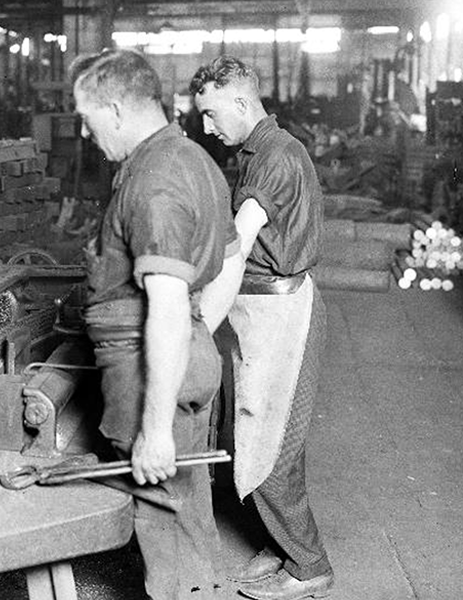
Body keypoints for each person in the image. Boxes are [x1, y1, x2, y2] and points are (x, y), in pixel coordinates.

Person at [71, 48, 240, 600]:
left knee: (163, 527)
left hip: (147, 373)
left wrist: (155, 428)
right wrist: (196, 336)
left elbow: (165, 306)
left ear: (116, 110)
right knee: (187, 511)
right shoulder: (196, 160)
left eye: (88, 117)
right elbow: (232, 258)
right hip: (186, 356)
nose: (85, 131)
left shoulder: (154, 179)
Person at [190, 55, 334, 600]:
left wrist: (200, 321)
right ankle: (279, 543)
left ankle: (309, 565)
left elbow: (241, 245)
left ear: (242, 103)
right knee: (251, 438)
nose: (207, 127)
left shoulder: (275, 157)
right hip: (261, 311)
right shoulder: (258, 152)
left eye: (211, 113)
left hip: (281, 314)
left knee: (269, 450)